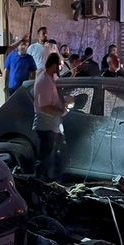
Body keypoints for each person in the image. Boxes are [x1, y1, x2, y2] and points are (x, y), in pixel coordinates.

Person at [34, 53, 73, 181]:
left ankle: (51, 179)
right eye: (60, 65)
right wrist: (60, 110)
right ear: (54, 65)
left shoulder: (51, 78)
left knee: (56, 155)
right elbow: (43, 106)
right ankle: (40, 182)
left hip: (54, 125)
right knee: (45, 158)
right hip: (46, 126)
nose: (60, 69)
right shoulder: (44, 81)